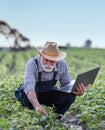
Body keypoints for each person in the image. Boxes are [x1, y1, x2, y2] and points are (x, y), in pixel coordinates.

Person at [15, 41, 90, 118]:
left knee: (70, 95)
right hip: (30, 93)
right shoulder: (32, 64)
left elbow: (66, 85)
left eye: (52, 61)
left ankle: (55, 119)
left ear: (57, 59)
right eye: (46, 60)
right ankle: (32, 116)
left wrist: (77, 91)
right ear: (40, 55)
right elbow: (29, 87)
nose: (48, 64)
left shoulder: (61, 64)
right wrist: (37, 105)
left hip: (46, 93)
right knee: (28, 91)